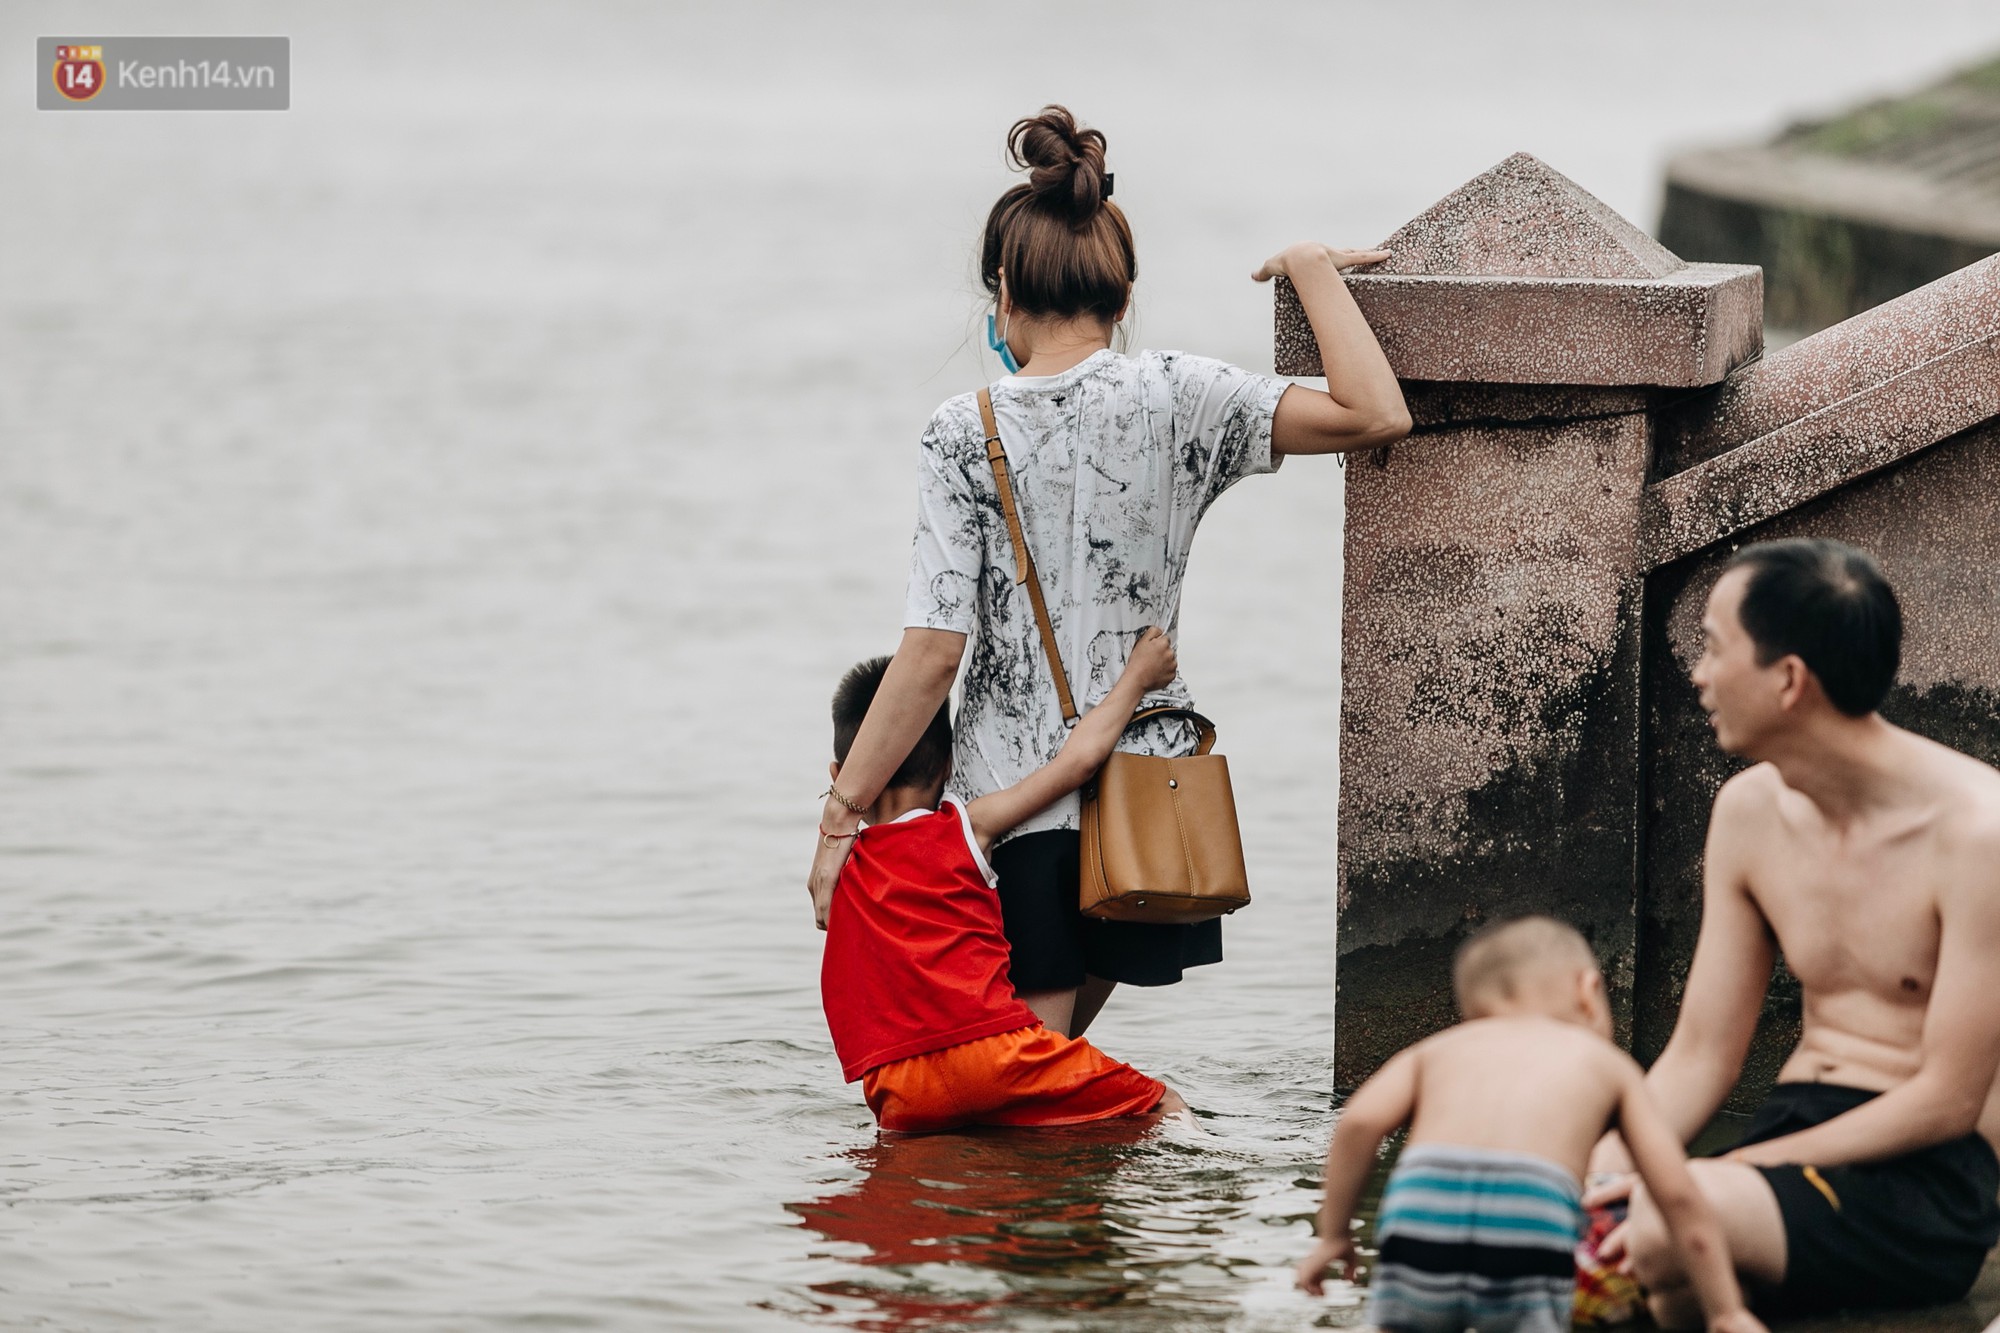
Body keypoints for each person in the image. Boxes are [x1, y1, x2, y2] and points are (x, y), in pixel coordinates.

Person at [806, 104, 1410, 1040]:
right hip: (1148, 796)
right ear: (1123, 300)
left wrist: (844, 814)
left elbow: (932, 655)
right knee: (1045, 1080)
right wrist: (1309, 268)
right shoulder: (1182, 392)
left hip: (1023, 809)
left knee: (1009, 1098)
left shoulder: (964, 430)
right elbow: (1376, 413)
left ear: (1003, 293)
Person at [1586, 538, 2000, 1321]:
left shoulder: (1979, 834)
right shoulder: (1748, 814)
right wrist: (1605, 1164)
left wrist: (1710, 1173)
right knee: (1586, 1212)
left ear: (1788, 680)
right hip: (1793, 1133)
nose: (1698, 673)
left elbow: (1948, 1098)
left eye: (1714, 647)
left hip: (1924, 1178)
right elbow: (1701, 1055)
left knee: (1664, 1225)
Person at [1295, 916, 1765, 1333]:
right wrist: (1725, 1311)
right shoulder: (1607, 1064)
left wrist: (1333, 1235)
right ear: (1588, 990)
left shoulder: (1438, 1050)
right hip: (1529, 1213)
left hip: (1422, 1209)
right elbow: (1676, 1192)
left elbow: (1357, 1124)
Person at [819, 625, 1192, 1133]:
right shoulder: (964, 828)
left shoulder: (837, 871)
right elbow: (1077, 763)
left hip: (896, 1086)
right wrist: (1136, 679)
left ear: (839, 773)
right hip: (995, 1060)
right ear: (949, 763)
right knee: (1161, 1104)